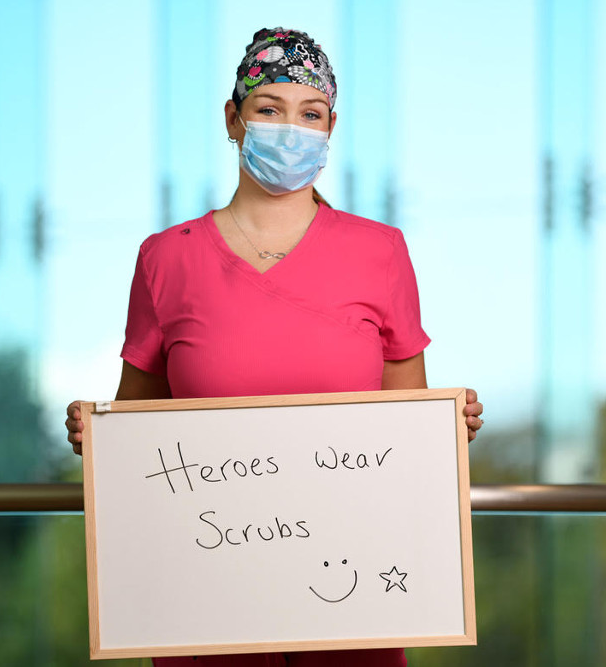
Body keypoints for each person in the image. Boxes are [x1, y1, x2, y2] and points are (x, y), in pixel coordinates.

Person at [65, 27, 483, 667]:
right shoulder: (165, 259)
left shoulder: (382, 253)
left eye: (309, 115)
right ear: (233, 119)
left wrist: (447, 428)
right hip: (206, 607)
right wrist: (98, 434)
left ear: (331, 127)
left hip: (354, 601)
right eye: (268, 110)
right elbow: (139, 435)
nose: (291, 130)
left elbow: (407, 433)